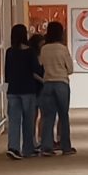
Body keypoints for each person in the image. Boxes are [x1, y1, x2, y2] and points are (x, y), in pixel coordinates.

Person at [2, 22, 42, 160]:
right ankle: (28, 148)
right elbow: (36, 70)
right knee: (28, 121)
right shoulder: (30, 52)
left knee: (14, 121)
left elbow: (7, 73)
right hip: (28, 90)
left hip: (13, 90)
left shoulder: (9, 52)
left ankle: (13, 147)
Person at [36, 20, 74, 157]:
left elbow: (41, 64)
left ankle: (46, 147)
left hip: (47, 84)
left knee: (48, 116)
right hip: (61, 84)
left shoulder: (44, 49)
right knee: (63, 116)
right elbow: (70, 69)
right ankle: (65, 147)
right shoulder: (62, 49)